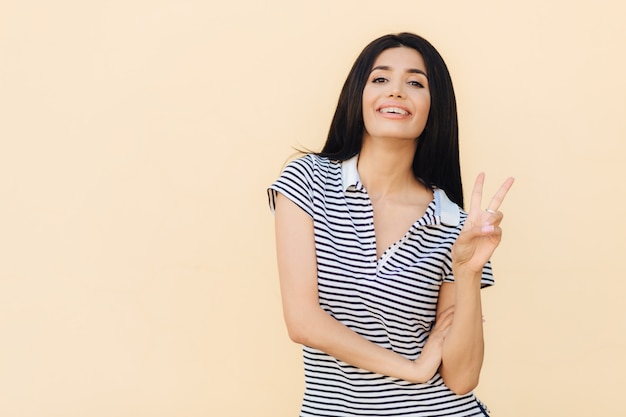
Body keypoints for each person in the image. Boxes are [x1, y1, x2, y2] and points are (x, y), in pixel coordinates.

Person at [268, 32, 514, 417]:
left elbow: (462, 378)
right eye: (380, 79)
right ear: (358, 96)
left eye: (415, 82)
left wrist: (466, 272)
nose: (396, 91)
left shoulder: (457, 225)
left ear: (435, 107)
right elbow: (302, 322)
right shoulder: (307, 181)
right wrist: (412, 370)